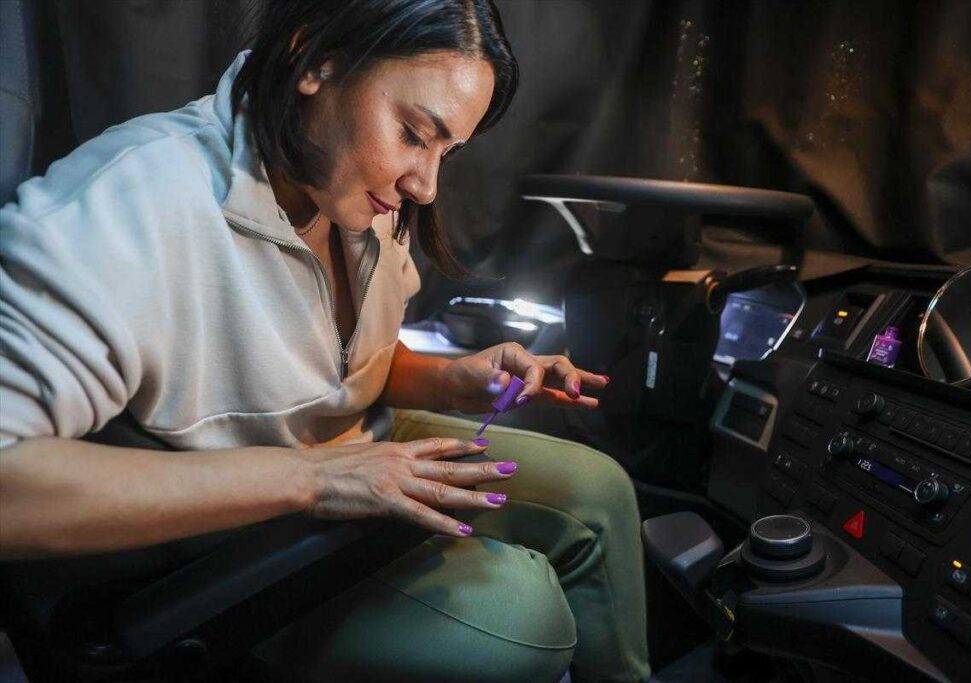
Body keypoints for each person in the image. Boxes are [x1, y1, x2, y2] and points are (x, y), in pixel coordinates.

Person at [0, 1, 649, 681]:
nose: (426, 186)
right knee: (520, 615)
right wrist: (312, 480)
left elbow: (333, 365)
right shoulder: (131, 201)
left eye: (446, 152)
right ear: (314, 61)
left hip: (351, 453)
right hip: (230, 528)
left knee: (600, 491)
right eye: (413, 133)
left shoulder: (357, 193)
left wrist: (448, 379)